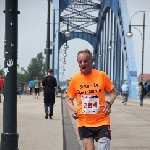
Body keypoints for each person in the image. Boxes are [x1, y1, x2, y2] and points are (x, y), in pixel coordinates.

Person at [66, 49, 117, 150]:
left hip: (102, 120)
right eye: (80, 62)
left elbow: (113, 92)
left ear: (91, 61)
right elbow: (69, 98)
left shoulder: (101, 75)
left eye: (85, 61)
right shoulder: (75, 79)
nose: (82, 64)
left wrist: (109, 103)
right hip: (84, 122)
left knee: (103, 147)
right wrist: (73, 109)